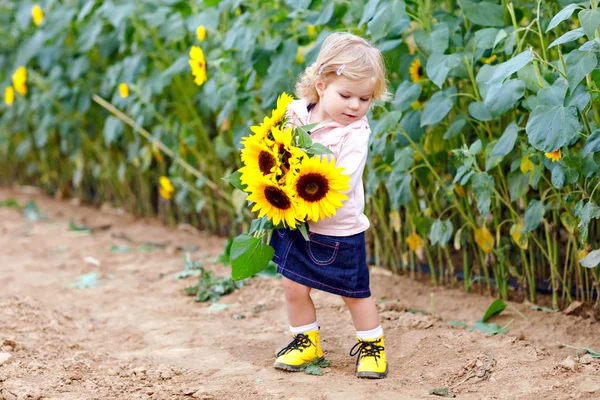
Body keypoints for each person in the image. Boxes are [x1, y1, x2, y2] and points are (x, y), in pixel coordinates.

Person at [270, 32, 391, 379]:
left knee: (354, 293)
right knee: (293, 284)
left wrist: (299, 196)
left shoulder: (355, 134)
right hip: (297, 222)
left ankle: (372, 346)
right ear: (321, 87)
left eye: (365, 98)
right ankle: (306, 342)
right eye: (346, 95)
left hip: (339, 229)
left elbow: (343, 181)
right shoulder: (296, 114)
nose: (355, 106)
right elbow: (280, 152)